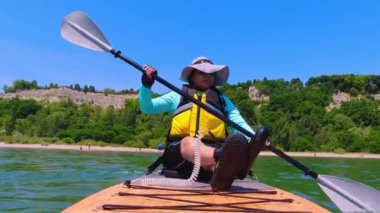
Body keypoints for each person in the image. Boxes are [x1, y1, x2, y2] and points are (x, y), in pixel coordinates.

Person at [139, 56, 255, 191]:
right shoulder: (177, 96)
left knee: (213, 161)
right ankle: (222, 158)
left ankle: (220, 171)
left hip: (210, 157)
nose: (208, 76)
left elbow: (240, 124)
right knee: (190, 142)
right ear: (192, 76)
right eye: (202, 72)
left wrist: (255, 139)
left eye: (211, 73)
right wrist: (146, 86)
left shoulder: (223, 101)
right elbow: (147, 107)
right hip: (180, 158)